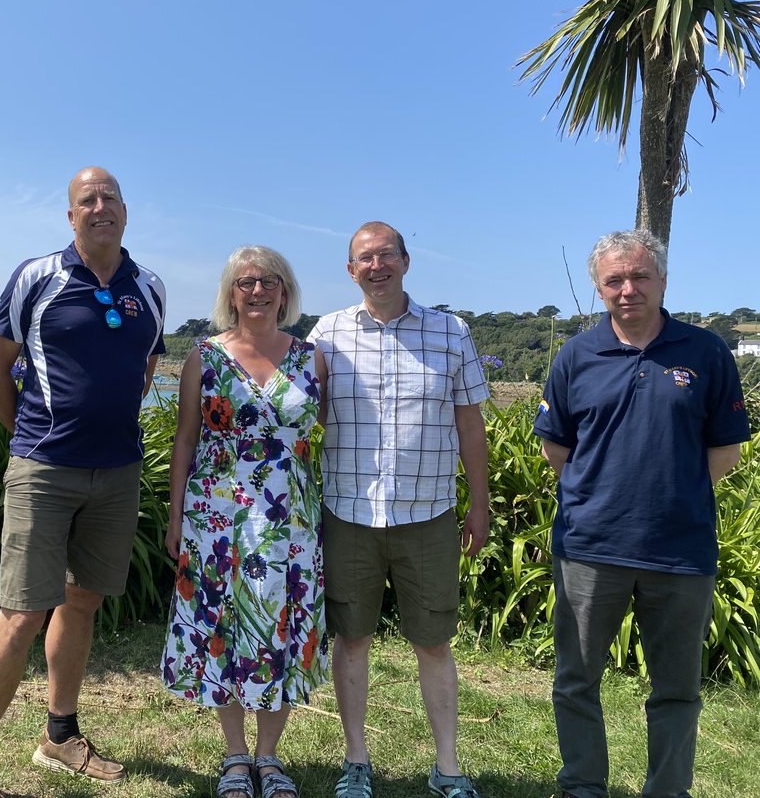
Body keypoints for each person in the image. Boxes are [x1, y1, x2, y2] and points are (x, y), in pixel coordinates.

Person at [0, 166, 166, 798]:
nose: (100, 208)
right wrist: (34, 439)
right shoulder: (36, 277)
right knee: (21, 615)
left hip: (117, 472)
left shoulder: (147, 287)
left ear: (126, 210)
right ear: (71, 217)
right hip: (44, 470)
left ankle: (59, 736)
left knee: (83, 600)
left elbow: (144, 368)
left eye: (110, 198)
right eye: (86, 200)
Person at [533, 230, 749, 798]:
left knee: (676, 688)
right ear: (600, 288)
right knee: (577, 679)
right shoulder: (577, 355)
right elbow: (556, 447)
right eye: (614, 280)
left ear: (662, 280)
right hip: (588, 547)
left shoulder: (706, 352)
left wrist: (665, 494)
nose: (628, 289)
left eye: (639, 277)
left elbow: (724, 452)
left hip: (681, 549)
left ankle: (667, 790)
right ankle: (583, 786)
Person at [309, 221, 490, 798]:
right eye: (365, 258)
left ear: (407, 262)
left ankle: (448, 767)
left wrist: (478, 504)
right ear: (350, 269)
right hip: (348, 513)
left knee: (434, 642)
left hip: (428, 513)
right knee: (352, 638)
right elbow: (298, 414)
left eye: (387, 254)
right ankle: (356, 761)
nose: (376, 265)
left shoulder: (450, 331)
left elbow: (469, 422)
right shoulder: (327, 334)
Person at [162, 245, 327, 798]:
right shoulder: (203, 358)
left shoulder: (311, 358)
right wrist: (175, 514)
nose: (257, 291)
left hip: (289, 520)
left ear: (286, 291)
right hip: (217, 517)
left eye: (269, 282)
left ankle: (269, 757)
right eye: (245, 282)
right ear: (230, 293)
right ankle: (235, 757)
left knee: (279, 625)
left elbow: (325, 434)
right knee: (225, 628)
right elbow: (186, 439)